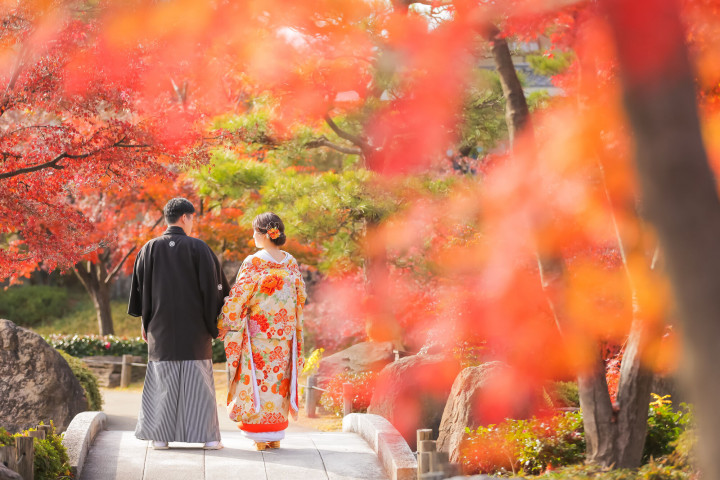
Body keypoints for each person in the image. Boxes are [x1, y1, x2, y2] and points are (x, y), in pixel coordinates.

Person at [128, 197, 230, 450]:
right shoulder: (199, 248)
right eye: (192, 218)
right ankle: (209, 438)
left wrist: (145, 323)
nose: (192, 223)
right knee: (199, 385)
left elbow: (141, 293)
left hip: (160, 331)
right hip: (194, 331)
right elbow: (214, 290)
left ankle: (160, 438)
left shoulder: (148, 249)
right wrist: (216, 323)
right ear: (185, 217)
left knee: (162, 382)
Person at [218, 212, 306, 450]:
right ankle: (275, 434)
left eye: (255, 231)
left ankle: (261, 436)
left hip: (259, 336)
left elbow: (239, 296)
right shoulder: (290, 261)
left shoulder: (254, 262)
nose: (253, 236)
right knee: (278, 383)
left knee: (261, 383)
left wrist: (225, 322)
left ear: (266, 234)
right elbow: (300, 298)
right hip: (284, 335)